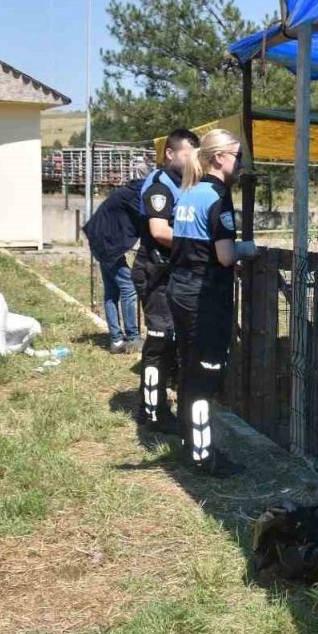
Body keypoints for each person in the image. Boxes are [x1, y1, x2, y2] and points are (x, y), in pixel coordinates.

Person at [167, 128, 258, 476]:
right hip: (204, 298)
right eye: (239, 157)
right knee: (205, 377)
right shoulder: (218, 195)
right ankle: (204, 459)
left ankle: (190, 441)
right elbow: (223, 256)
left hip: (181, 290)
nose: (241, 165)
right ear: (220, 158)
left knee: (188, 369)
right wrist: (248, 250)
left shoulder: (190, 193)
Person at [132, 128, 198, 432]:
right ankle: (152, 412)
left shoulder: (180, 185)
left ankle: (157, 404)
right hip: (155, 272)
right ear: (170, 154)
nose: (192, 161)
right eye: (187, 154)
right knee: (159, 343)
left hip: (170, 272)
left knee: (170, 341)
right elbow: (159, 231)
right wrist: (199, 244)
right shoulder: (160, 186)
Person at [82, 176, 144, 353]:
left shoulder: (131, 191)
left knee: (112, 291)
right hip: (107, 245)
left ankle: (116, 340)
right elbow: (149, 218)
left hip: (99, 240)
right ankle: (132, 337)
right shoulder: (137, 195)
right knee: (128, 288)